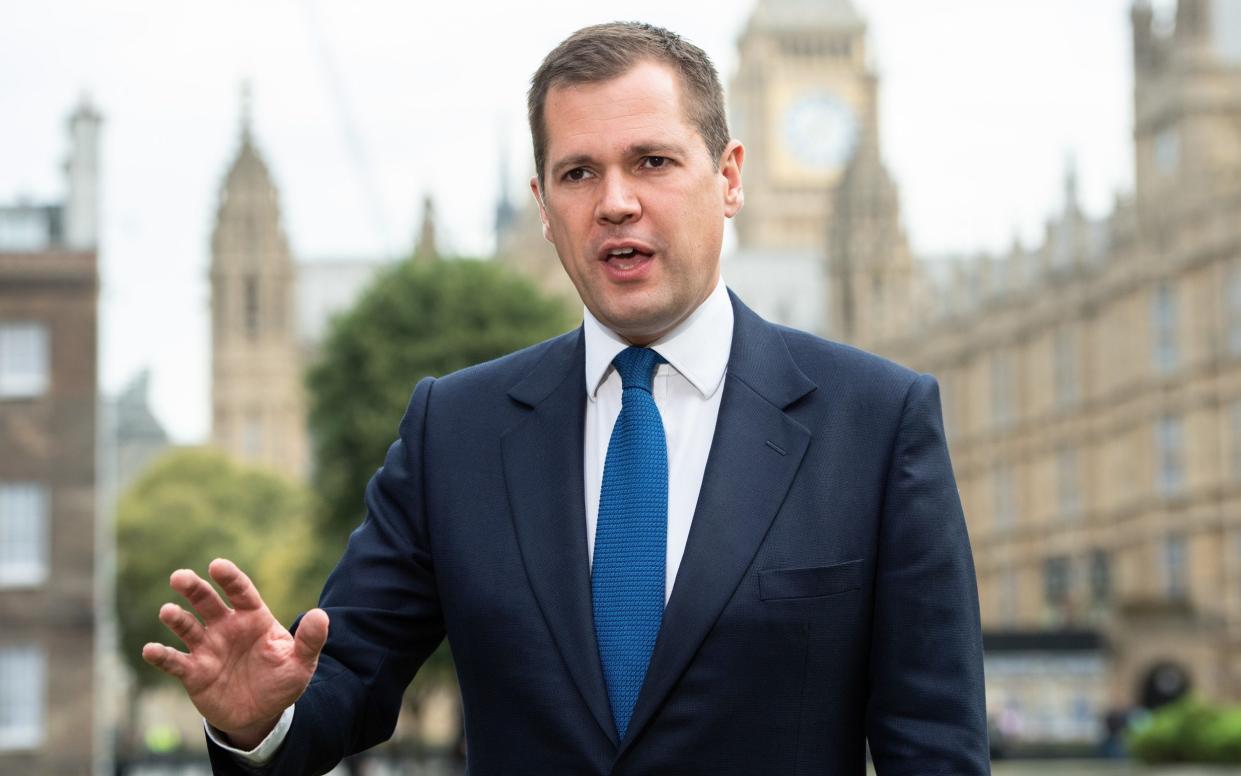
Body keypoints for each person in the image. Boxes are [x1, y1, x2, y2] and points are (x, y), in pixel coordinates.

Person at [143, 21, 990, 775]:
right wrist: (262, 722)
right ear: (544, 209)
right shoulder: (455, 432)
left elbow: (935, 747)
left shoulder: (875, 424)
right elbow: (345, 674)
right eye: (578, 173)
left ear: (729, 178)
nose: (615, 202)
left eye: (652, 161)